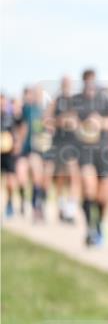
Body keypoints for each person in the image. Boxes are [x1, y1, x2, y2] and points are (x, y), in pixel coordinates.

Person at [70, 70, 108, 246]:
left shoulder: (105, 99)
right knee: (89, 188)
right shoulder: (76, 100)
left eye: (92, 82)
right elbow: (65, 118)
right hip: (84, 150)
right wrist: (73, 123)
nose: (90, 86)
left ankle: (99, 224)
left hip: (103, 152)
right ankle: (89, 228)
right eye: (87, 82)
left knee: (104, 196)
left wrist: (101, 122)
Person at [47, 76, 80, 224]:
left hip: (73, 143)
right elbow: (46, 119)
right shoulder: (56, 100)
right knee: (60, 177)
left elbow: (82, 121)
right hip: (59, 142)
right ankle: (61, 207)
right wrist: (60, 121)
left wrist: (76, 123)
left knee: (73, 175)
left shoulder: (76, 101)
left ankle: (70, 211)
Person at [18, 85, 51, 223]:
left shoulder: (47, 111)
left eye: (39, 94)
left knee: (44, 180)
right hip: (31, 150)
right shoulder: (28, 109)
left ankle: (40, 205)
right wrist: (19, 144)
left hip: (46, 150)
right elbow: (24, 127)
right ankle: (34, 206)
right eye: (35, 94)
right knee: (31, 177)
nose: (37, 97)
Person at [1, 93, 25, 218]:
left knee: (11, 181)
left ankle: (10, 203)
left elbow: (22, 127)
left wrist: (18, 143)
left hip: (9, 154)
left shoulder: (12, 117)